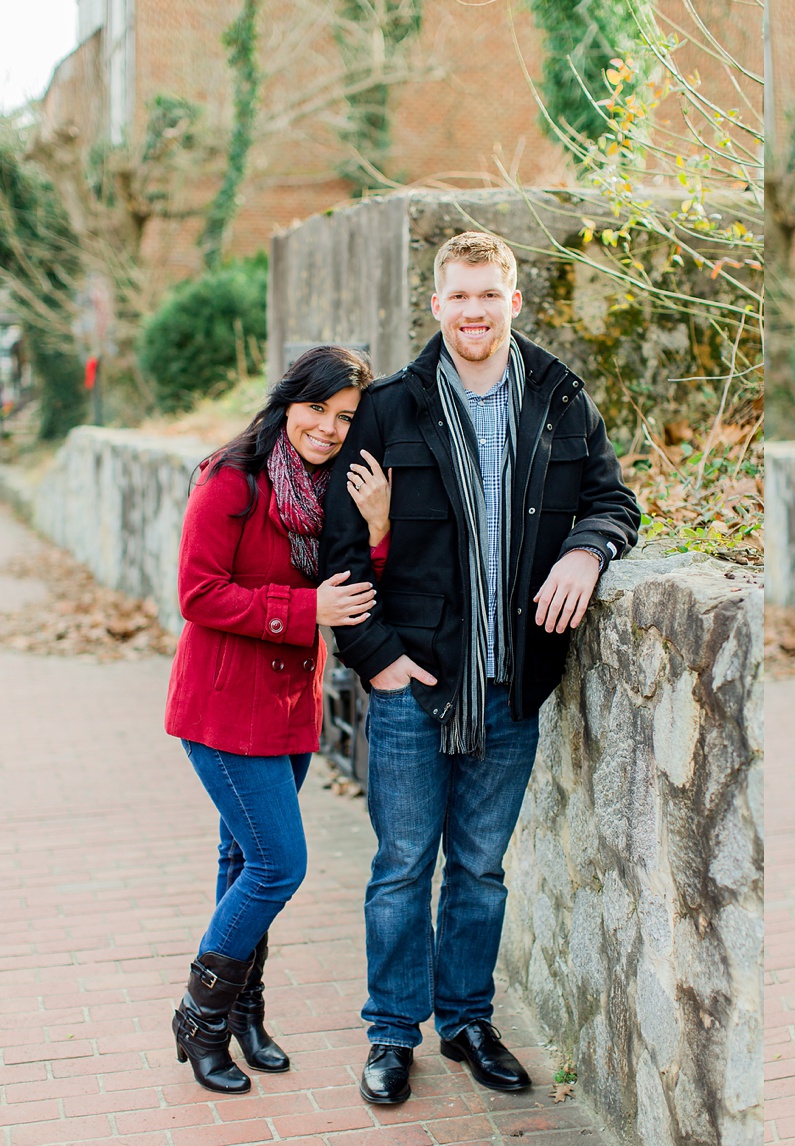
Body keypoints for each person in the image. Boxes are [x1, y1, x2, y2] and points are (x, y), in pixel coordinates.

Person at [319, 231, 641, 1106]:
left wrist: (586, 552)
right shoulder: (389, 410)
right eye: (458, 298)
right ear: (436, 305)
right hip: (415, 687)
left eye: (487, 297)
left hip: (514, 681)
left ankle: (465, 1022)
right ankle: (392, 1036)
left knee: (481, 869)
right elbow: (343, 552)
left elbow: (613, 498)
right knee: (400, 867)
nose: (473, 313)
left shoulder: (560, 398)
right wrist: (379, 663)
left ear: (513, 301)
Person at [164, 345, 394, 1093]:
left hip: (291, 708)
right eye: (317, 409)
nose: (328, 429)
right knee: (277, 865)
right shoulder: (231, 478)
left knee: (241, 861)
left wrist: (378, 528)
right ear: (289, 400)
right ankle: (199, 1019)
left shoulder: (332, 489)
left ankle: (242, 1014)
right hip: (223, 707)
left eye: (345, 417)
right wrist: (304, 609)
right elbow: (198, 593)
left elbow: (354, 589)